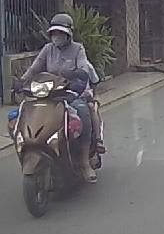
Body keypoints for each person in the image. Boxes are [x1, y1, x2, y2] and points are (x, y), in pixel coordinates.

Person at [18, 13, 105, 182]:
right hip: (50, 94)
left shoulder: (78, 49)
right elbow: (35, 68)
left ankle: (84, 162)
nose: (57, 36)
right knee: (26, 112)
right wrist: (21, 81)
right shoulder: (47, 49)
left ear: (68, 34)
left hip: (73, 92)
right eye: (54, 33)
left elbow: (83, 69)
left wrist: (75, 76)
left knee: (82, 112)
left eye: (60, 33)